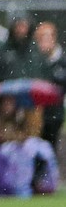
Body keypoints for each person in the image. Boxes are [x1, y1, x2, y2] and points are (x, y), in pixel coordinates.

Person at [33, 21, 65, 149]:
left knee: (51, 145)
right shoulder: (35, 60)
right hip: (36, 112)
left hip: (54, 112)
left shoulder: (62, 61)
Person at [0, 12, 43, 85]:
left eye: (23, 26)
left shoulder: (35, 50)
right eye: (18, 26)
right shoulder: (1, 51)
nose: (21, 30)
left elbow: (44, 75)